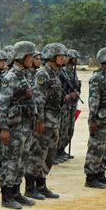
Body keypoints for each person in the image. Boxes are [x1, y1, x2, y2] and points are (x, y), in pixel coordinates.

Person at [0, 41, 43, 209]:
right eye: (30, 56)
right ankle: (6, 195)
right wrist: (4, 128)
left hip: (25, 125)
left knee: (22, 160)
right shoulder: (10, 77)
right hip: (14, 126)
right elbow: (3, 104)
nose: (33, 59)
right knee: (11, 160)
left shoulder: (24, 75)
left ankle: (16, 191)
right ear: (21, 57)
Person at [25, 43, 67, 199]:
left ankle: (41, 184)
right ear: (52, 56)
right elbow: (38, 100)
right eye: (61, 56)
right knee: (38, 152)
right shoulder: (43, 74)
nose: (64, 59)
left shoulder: (56, 73)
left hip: (54, 119)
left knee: (50, 153)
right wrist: (39, 121)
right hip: (45, 119)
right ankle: (30, 186)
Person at [84, 46, 106, 188]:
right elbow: (93, 101)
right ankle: (91, 177)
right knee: (96, 147)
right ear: (105, 60)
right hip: (100, 119)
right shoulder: (97, 78)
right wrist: (92, 120)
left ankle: (100, 173)